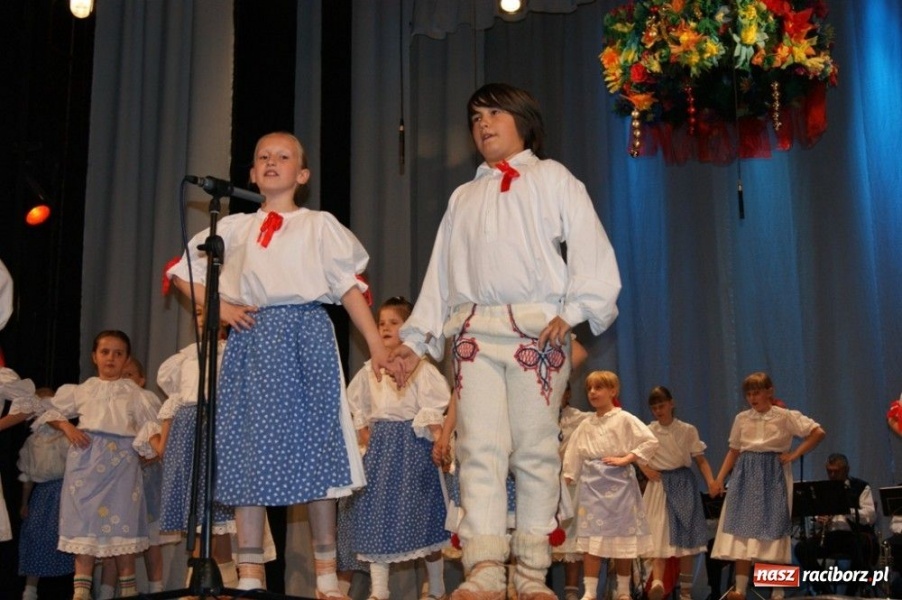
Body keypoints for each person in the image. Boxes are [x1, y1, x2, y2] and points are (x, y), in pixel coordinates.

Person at [390, 82, 621, 600]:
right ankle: (485, 568)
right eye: (475, 118)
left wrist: (576, 310)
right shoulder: (464, 195)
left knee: (537, 451)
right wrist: (417, 338)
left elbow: (591, 246)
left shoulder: (552, 177)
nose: (483, 124)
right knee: (479, 450)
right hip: (472, 331)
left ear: (523, 119)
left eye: (494, 113)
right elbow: (441, 275)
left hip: (535, 333)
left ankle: (534, 572)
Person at [167, 131, 391, 596]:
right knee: (250, 452)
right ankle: (250, 577)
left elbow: (350, 289)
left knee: (316, 450)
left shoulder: (320, 225)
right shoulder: (230, 229)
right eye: (262, 156)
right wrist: (222, 307)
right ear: (250, 174)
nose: (271, 162)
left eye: (283, 157)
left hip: (306, 336)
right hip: (252, 340)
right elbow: (180, 271)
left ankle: (327, 576)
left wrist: (377, 345)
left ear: (301, 174)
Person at [32, 330, 162, 600]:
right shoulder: (83, 390)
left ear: (127, 359)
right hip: (87, 465)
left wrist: (150, 452)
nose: (111, 358)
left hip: (122, 466)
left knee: (123, 531)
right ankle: (81, 592)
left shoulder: (136, 394)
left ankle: (127, 590)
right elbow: (47, 411)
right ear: (94, 357)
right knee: (84, 527)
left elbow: (154, 427)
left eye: (118, 353)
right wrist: (67, 426)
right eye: (105, 352)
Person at [345, 296, 450, 600]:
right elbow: (358, 408)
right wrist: (366, 436)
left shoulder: (422, 369)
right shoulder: (369, 370)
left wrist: (439, 442)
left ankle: (437, 588)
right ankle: (379, 591)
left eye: (394, 323)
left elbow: (434, 409)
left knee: (425, 518)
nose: (386, 328)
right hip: (382, 452)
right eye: (381, 323)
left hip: (414, 449)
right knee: (378, 518)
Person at [710, 372, 826, 600]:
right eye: (749, 394)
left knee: (773, 531)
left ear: (769, 391)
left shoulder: (784, 416)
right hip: (745, 475)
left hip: (773, 475)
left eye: (757, 392)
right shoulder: (742, 418)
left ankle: (778, 590)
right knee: (741, 531)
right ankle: (740, 589)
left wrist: (794, 454)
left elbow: (817, 432)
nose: (752, 398)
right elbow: (734, 450)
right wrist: (719, 479)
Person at [153, 306, 238, 589]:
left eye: (210, 311)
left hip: (219, 427)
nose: (204, 317)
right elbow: (175, 396)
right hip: (189, 428)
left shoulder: (234, 351)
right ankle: (195, 583)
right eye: (199, 313)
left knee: (216, 513)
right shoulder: (185, 357)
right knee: (195, 515)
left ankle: (225, 583)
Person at [562, 370, 658, 600]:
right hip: (593, 486)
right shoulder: (586, 424)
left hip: (620, 486)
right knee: (592, 538)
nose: (593, 392)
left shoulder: (624, 418)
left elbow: (649, 440)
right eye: (590, 389)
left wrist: (628, 457)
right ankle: (590, 592)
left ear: (613, 391)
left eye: (599, 388)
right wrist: (565, 480)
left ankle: (624, 591)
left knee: (621, 537)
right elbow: (573, 454)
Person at [639, 386, 716, 600]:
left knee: (686, 540)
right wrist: (646, 469)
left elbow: (700, 459)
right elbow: (636, 454)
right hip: (659, 484)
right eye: (654, 408)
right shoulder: (648, 431)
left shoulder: (687, 430)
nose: (658, 411)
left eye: (661, 406)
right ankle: (657, 582)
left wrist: (711, 481)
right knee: (658, 532)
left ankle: (686, 591)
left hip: (682, 483)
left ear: (671, 404)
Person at [15, 386, 75, 600]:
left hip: (65, 492)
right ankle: (30, 590)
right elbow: (28, 476)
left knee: (68, 539)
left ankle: (76, 588)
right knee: (36, 537)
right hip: (43, 494)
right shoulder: (32, 442)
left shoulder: (65, 437)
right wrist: (24, 503)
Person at [793, 452, 877, 595]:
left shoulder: (861, 487)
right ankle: (824, 591)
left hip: (854, 534)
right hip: (831, 535)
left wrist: (845, 510)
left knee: (859, 548)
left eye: (836, 472)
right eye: (829, 471)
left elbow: (870, 516)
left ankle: (850, 594)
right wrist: (818, 521)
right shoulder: (823, 489)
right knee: (802, 548)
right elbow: (815, 516)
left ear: (846, 470)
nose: (832, 475)